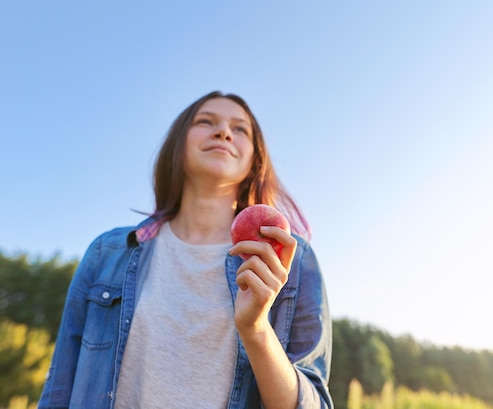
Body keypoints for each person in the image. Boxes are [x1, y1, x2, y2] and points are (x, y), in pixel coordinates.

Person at [38, 91, 333, 409]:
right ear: (178, 145)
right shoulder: (106, 253)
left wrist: (256, 329)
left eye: (240, 129)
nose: (223, 132)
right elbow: (59, 388)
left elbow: (312, 403)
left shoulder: (290, 258)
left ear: (254, 159)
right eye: (206, 122)